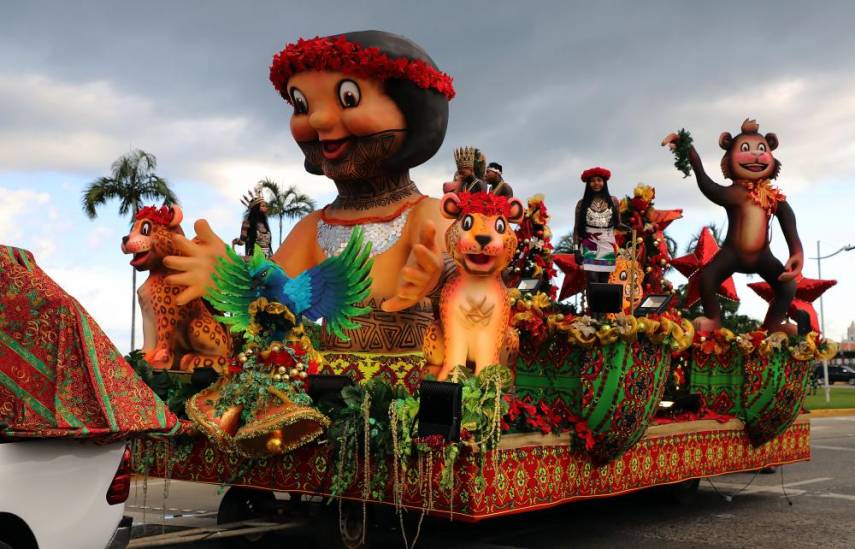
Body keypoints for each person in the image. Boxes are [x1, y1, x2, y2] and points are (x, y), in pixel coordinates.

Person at [163, 31, 456, 354]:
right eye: (302, 105)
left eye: (348, 98)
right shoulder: (314, 227)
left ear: (413, 110)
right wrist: (227, 277)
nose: (317, 119)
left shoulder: (426, 213)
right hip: (327, 386)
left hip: (414, 387)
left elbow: (472, 278)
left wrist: (439, 278)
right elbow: (275, 301)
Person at [573, 167, 625, 284]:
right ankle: (592, 303)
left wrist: (629, 229)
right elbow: (576, 228)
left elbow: (618, 223)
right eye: (592, 181)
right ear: (588, 184)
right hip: (589, 243)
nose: (596, 183)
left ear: (604, 182)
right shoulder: (581, 204)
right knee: (592, 279)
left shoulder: (613, 201)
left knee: (603, 281)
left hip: (607, 243)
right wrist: (576, 250)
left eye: (599, 180)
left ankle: (602, 303)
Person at [232, 187, 273, 258]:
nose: (266, 208)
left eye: (265, 206)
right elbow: (242, 241)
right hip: (254, 259)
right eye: (263, 206)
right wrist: (235, 242)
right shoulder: (247, 223)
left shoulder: (265, 224)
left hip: (268, 259)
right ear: (256, 208)